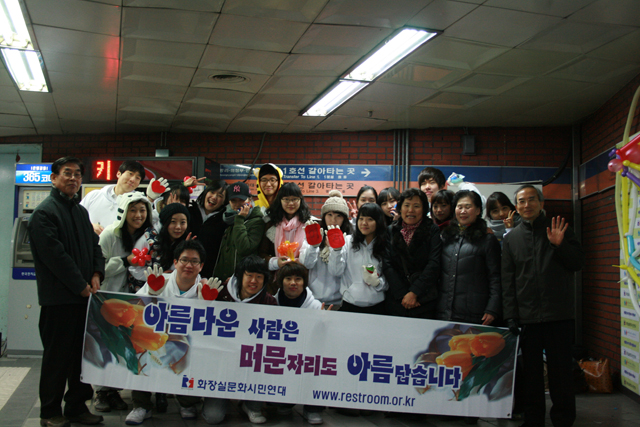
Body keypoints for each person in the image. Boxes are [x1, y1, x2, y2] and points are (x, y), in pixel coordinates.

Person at [28, 156, 105, 427]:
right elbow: (56, 258)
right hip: (59, 301)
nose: (73, 178)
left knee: (80, 357)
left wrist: (96, 273)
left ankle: (76, 407)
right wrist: (80, 285)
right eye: (67, 173)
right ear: (54, 178)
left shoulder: (80, 212)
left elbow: (95, 246)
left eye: (78, 175)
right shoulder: (44, 214)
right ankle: (50, 412)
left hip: (84, 298)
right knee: (57, 359)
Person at [502, 185, 585, 427]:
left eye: (531, 199)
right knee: (531, 376)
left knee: (561, 374)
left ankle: (563, 420)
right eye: (521, 201)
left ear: (541, 203)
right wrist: (511, 315)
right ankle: (533, 420)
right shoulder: (512, 239)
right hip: (527, 318)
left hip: (558, 315)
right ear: (516, 207)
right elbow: (508, 279)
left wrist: (560, 245)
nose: (526, 205)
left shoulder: (560, 229)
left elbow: (577, 262)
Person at [125, 240, 209, 425]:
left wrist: (206, 304)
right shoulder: (159, 280)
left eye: (194, 261)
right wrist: (153, 294)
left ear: (201, 266)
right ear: (175, 262)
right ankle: (141, 405)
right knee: (141, 350)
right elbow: (136, 308)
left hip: (186, 343)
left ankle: (187, 403)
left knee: (196, 356)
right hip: (154, 339)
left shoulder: (205, 288)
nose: (189, 265)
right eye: (184, 260)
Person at [214, 255, 277, 424]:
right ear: (240, 276)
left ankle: (251, 405)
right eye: (249, 275)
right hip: (222, 363)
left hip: (251, 362)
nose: (253, 281)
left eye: (259, 277)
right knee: (214, 416)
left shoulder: (269, 302)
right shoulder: (221, 293)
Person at [271, 262, 327, 424]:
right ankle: (284, 401)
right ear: (281, 282)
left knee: (319, 364)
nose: (293, 283)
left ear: (304, 282)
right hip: (282, 357)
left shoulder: (316, 307)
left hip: (307, 357)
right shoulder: (271, 304)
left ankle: (313, 408)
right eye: (288, 278)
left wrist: (326, 323)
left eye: (298, 279)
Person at [437, 190, 501, 326]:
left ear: (478, 210)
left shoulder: (487, 240)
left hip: (475, 313)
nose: (463, 211)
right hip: (445, 312)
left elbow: (495, 277)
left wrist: (492, 308)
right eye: (459, 207)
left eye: (468, 207)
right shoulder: (446, 238)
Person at [384, 188, 441, 319]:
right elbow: (387, 263)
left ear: (424, 209)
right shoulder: (391, 230)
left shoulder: (432, 230)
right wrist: (403, 295)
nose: (410, 210)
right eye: (406, 205)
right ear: (400, 208)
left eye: (416, 206)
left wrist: (414, 292)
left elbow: (434, 264)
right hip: (397, 300)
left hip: (423, 300)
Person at [329, 203, 389, 315]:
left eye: (370, 219)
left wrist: (378, 283)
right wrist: (336, 251)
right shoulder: (348, 241)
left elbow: (391, 277)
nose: (364, 223)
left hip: (377, 306)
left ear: (379, 222)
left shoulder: (385, 245)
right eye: (361, 219)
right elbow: (335, 271)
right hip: (350, 304)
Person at [299, 190, 353, 309]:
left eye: (338, 216)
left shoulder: (348, 239)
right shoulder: (314, 233)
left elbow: (337, 271)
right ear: (324, 216)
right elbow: (306, 264)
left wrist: (336, 249)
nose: (333, 220)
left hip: (339, 300)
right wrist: (314, 246)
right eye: (329, 215)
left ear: (344, 219)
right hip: (312, 298)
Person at [259, 182, 311, 292]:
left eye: (294, 199)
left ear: (300, 200)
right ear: (280, 200)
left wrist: (301, 261)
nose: (290, 203)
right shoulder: (270, 223)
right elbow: (261, 254)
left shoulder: (308, 224)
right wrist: (276, 263)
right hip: (275, 282)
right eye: (286, 199)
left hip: (302, 280)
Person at [98, 192, 154, 293]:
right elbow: (98, 269)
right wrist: (125, 261)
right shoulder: (110, 234)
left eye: (142, 210)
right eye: (133, 210)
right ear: (123, 212)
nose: (138, 215)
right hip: (107, 295)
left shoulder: (147, 237)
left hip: (134, 296)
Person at [213, 181, 265, 282]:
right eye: (233, 200)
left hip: (244, 279)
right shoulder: (227, 218)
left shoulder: (257, 221)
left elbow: (244, 248)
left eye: (241, 200)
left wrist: (240, 219)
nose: (237, 204)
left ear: (250, 200)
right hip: (223, 279)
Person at [81, 160, 146, 235]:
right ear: (118, 174)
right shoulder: (94, 196)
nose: (132, 180)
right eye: (130, 174)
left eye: (137, 178)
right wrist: (89, 226)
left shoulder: (140, 204)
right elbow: (76, 219)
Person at [188, 180, 228, 278]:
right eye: (212, 192)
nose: (214, 197)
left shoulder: (224, 222)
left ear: (224, 201)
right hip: (183, 268)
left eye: (220, 196)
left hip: (207, 274)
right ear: (206, 192)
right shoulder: (190, 211)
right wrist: (185, 187)